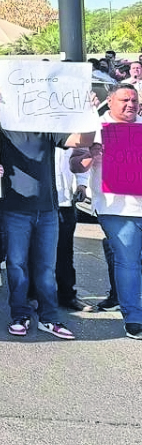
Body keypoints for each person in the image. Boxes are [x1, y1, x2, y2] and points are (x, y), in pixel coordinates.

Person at [0, 110, 94, 339]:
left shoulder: (48, 128)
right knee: (17, 265)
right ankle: (19, 315)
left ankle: (49, 318)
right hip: (15, 209)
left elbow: (84, 141)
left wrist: (89, 113)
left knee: (46, 268)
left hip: (49, 209)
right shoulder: (3, 128)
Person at [71, 85, 142, 338]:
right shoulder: (96, 129)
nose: (130, 104)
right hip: (116, 209)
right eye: (124, 99)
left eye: (134, 100)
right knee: (128, 261)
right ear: (110, 101)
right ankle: (134, 318)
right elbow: (75, 165)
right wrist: (91, 155)